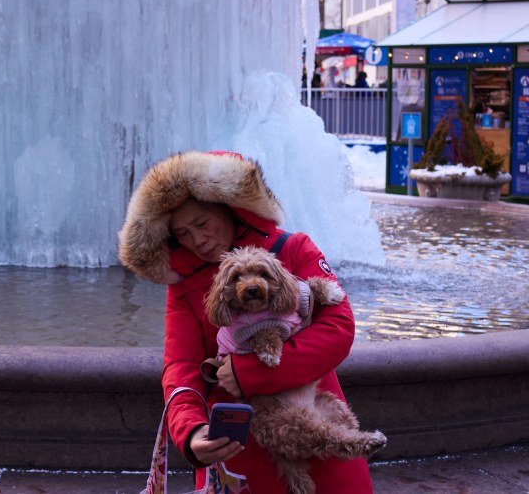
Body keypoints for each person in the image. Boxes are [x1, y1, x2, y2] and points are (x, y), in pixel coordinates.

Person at [118, 150, 373, 494]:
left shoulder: (294, 248)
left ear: (229, 205)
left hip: (317, 427)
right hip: (238, 449)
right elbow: (181, 365)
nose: (198, 240)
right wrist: (191, 432)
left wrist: (250, 371)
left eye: (202, 223)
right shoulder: (181, 286)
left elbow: (338, 328)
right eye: (183, 234)